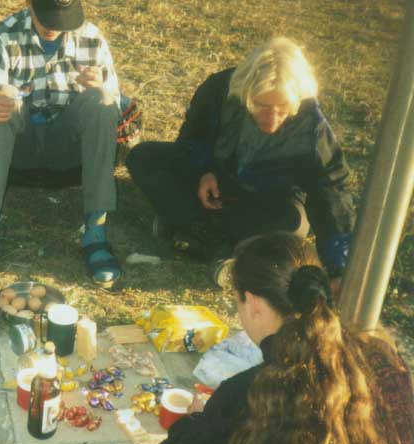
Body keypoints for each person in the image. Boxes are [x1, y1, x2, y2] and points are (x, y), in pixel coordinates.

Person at [111, 232, 414, 444]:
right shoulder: (382, 355)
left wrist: (196, 423)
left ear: (253, 303)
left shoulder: (248, 393)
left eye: (237, 303)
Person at [126, 38, 354, 289]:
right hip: (217, 185)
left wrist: (337, 268)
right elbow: (191, 138)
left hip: (268, 199)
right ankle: (220, 243)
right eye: (261, 105)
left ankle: (191, 231)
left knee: (293, 225)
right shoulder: (219, 88)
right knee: (142, 157)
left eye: (282, 109)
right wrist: (204, 171)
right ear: (245, 92)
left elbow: (331, 188)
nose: (271, 119)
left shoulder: (311, 122)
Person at [0, 0, 124, 288]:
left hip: (68, 148)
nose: (54, 27)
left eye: (63, 19)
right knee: (2, 96)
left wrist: (100, 87)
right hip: (19, 148)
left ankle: (96, 230)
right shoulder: (5, 35)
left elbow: (114, 106)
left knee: (102, 101)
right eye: (48, 18)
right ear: (29, 4)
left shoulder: (92, 37)